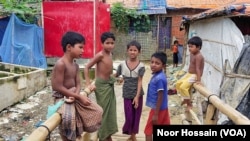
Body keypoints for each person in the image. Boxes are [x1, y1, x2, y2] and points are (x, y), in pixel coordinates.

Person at [51, 31, 97, 141]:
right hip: (62, 99)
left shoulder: (75, 65)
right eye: (80, 47)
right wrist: (78, 97)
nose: (83, 50)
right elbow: (57, 86)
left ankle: (80, 132)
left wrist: (76, 95)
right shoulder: (60, 64)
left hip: (74, 97)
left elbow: (78, 83)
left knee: (97, 111)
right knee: (67, 120)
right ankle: (68, 137)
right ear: (69, 47)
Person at [83, 32, 118, 141]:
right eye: (107, 43)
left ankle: (108, 135)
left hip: (109, 85)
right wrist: (88, 84)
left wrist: (114, 76)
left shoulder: (110, 54)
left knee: (111, 112)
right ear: (102, 43)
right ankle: (103, 136)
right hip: (101, 87)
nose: (110, 45)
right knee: (103, 113)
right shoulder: (100, 55)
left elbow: (108, 70)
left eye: (112, 43)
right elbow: (87, 67)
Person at [115, 40, 145, 141]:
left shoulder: (141, 66)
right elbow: (115, 75)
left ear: (139, 52)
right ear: (127, 51)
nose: (132, 52)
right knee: (129, 115)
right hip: (127, 94)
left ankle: (133, 136)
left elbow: (140, 81)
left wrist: (136, 97)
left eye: (135, 50)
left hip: (138, 94)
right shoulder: (122, 64)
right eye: (130, 50)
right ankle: (129, 132)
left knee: (137, 116)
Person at [144, 52, 170, 141]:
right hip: (162, 108)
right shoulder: (158, 75)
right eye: (152, 62)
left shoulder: (159, 79)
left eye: (157, 63)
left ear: (163, 65)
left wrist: (155, 114)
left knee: (148, 130)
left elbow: (160, 96)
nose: (153, 65)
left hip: (157, 109)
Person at [175, 36, 204, 110]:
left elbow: (198, 69)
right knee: (178, 84)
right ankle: (185, 98)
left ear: (198, 47)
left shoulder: (199, 56)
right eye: (189, 46)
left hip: (194, 75)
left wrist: (198, 80)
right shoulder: (192, 54)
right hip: (189, 74)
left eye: (191, 47)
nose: (189, 48)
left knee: (183, 87)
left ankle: (189, 104)